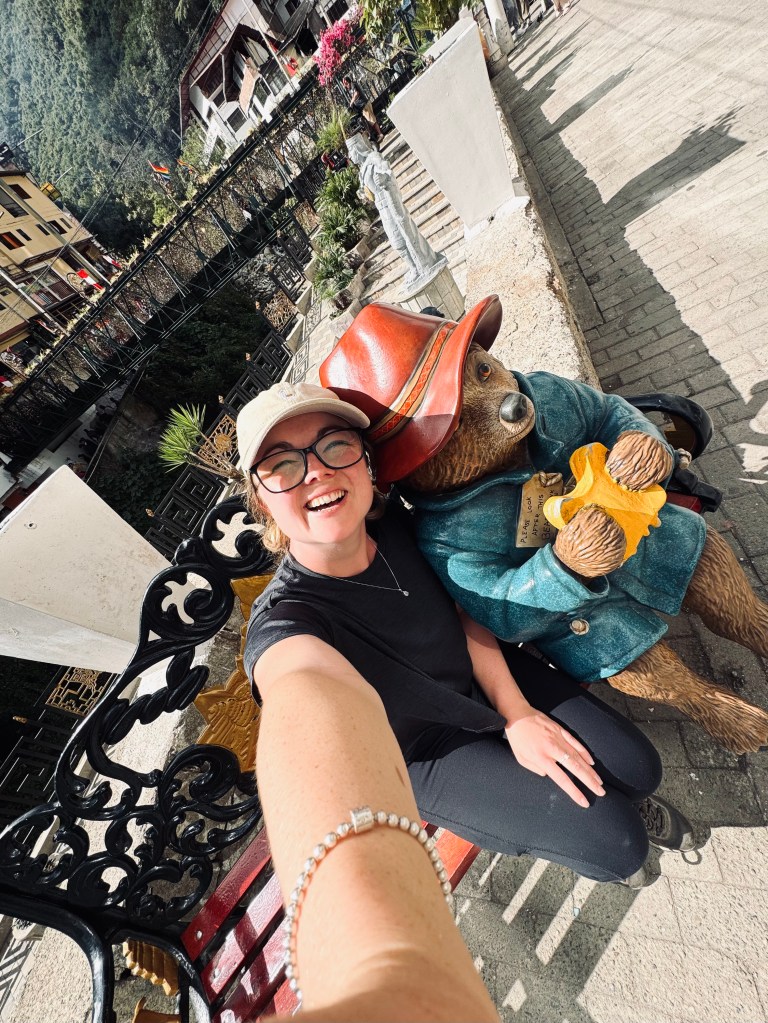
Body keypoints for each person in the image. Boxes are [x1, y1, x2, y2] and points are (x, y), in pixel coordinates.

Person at [237, 381, 693, 1004]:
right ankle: (603, 826)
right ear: (261, 501)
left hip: (484, 674)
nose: (315, 472)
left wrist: (519, 715)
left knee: (642, 766)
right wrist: (360, 972)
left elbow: (467, 608)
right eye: (281, 464)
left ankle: (617, 794)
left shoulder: (400, 526)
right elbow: (300, 704)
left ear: (367, 462)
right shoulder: (288, 625)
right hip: (427, 751)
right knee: (619, 843)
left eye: (334, 445)